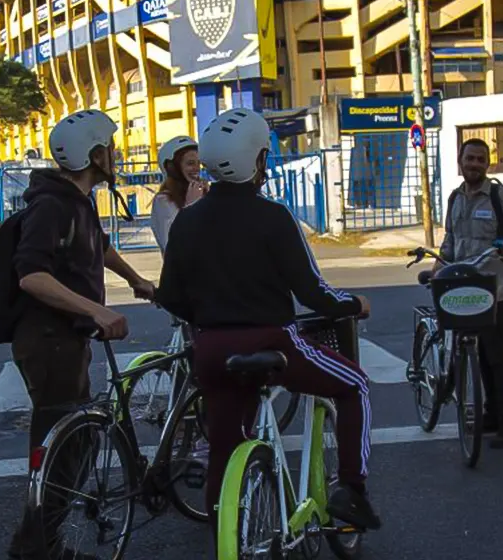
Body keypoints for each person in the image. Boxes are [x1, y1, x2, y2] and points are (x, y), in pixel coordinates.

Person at [154, 108, 381, 537]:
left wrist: (209, 320)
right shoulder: (274, 217)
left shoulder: (187, 221)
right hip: (274, 344)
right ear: (255, 160)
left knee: (224, 443)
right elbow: (313, 292)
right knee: (355, 386)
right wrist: (353, 304)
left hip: (212, 350)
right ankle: (352, 487)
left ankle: (226, 527)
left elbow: (171, 297)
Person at [9, 109, 156, 560]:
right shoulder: (51, 204)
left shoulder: (78, 202)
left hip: (67, 341)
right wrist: (96, 310)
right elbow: (31, 274)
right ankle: (37, 549)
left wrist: (137, 280)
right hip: (49, 342)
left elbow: (99, 246)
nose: (115, 154)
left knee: (77, 440)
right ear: (93, 154)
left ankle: (40, 545)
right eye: (109, 147)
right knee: (62, 451)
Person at [438, 137, 503, 449]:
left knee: (497, 354)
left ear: (487, 164)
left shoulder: (500, 195)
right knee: (479, 354)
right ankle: (491, 415)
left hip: (497, 290)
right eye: (470, 158)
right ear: (460, 161)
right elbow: (451, 241)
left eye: (481, 159)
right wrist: (437, 268)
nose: (475, 164)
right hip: (463, 289)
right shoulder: (455, 198)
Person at [150, 135, 207, 252]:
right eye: (190, 163)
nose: (197, 168)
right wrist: (190, 207)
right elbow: (173, 247)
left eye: (198, 163)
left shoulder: (200, 195)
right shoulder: (163, 201)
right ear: (173, 168)